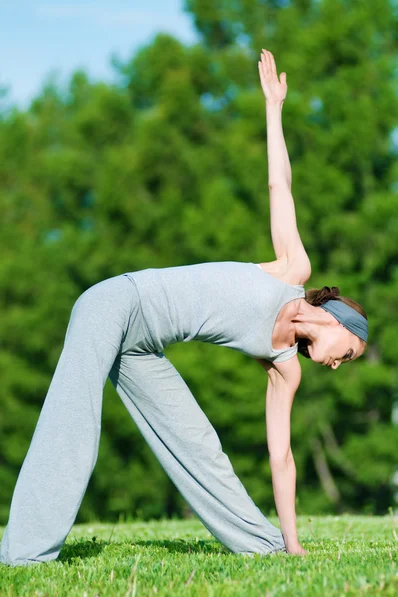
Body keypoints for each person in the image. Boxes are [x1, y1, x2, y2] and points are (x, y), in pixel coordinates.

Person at [0, 50, 367, 567]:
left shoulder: (286, 370)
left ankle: (262, 547)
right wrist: (273, 109)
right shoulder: (292, 270)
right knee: (75, 420)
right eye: (345, 352)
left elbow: (281, 458)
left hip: (142, 346)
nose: (336, 363)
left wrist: (293, 543)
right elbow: (278, 184)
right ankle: (25, 554)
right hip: (114, 302)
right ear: (334, 319)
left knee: (199, 445)